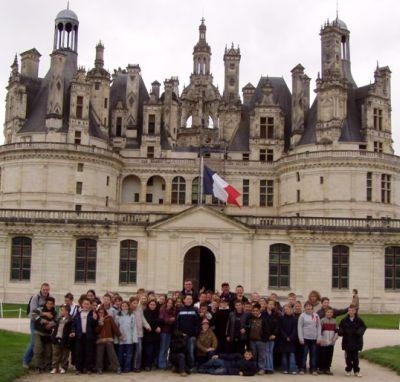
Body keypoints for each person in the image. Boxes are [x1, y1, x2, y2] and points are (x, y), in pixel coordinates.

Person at [23, 282, 51, 369]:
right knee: (33, 342)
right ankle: (25, 361)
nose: (45, 291)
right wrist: (44, 314)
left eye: (47, 289)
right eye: (44, 289)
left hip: (44, 323)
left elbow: (51, 310)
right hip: (35, 322)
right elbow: (32, 313)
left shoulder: (49, 298)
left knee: (42, 343)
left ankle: (41, 363)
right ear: (41, 289)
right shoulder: (36, 297)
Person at [338, 304, 367, 377]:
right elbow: (341, 327)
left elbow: (363, 327)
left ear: (355, 311)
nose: (351, 312)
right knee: (348, 357)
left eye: (352, 310)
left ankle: (356, 370)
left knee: (355, 357)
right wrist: (340, 332)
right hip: (347, 341)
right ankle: (348, 369)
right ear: (348, 311)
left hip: (356, 341)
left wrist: (359, 332)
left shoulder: (359, 320)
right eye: (349, 310)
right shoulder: (344, 320)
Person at [71, 297, 98, 374]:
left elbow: (94, 326)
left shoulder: (92, 313)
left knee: (88, 352)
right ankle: (78, 369)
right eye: (84, 304)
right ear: (82, 304)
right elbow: (74, 324)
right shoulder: (78, 313)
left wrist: (94, 319)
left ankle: (88, 368)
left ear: (90, 305)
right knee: (79, 352)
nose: (86, 305)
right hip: (79, 336)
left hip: (88, 336)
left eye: (88, 304)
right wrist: (73, 331)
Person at [31, 296, 57, 372]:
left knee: (48, 351)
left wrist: (50, 324)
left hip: (48, 334)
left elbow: (57, 320)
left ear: (53, 304)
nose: (49, 305)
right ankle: (38, 366)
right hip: (38, 332)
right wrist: (42, 318)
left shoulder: (55, 312)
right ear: (46, 303)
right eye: (48, 303)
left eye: (51, 304)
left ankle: (47, 366)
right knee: (38, 350)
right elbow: (32, 314)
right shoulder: (40, 309)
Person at [94, 305, 122, 374]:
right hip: (100, 340)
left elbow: (114, 327)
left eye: (102, 312)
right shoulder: (96, 319)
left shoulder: (109, 318)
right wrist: (100, 324)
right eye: (100, 312)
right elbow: (95, 331)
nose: (101, 313)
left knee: (112, 354)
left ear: (105, 312)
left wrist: (119, 335)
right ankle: (99, 368)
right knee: (99, 355)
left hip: (109, 339)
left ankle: (117, 367)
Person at [176, 294, 200, 370]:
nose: (189, 300)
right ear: (184, 300)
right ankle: (183, 366)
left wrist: (195, 334)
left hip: (192, 336)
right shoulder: (180, 310)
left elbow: (198, 323)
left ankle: (191, 366)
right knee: (183, 351)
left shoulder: (195, 310)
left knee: (191, 351)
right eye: (188, 299)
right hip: (182, 336)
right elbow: (177, 323)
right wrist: (179, 333)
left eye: (190, 299)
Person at [297, 301, 322, 375]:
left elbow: (319, 326)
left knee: (313, 354)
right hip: (305, 338)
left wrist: (319, 337)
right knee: (304, 354)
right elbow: (299, 327)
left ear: (312, 307)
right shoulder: (302, 316)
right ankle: (302, 368)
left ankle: (313, 369)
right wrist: (300, 338)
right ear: (304, 307)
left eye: (310, 306)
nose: (308, 307)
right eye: (307, 306)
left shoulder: (316, 315)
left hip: (314, 339)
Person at [245, 302, 269, 374]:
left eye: (256, 311)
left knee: (262, 356)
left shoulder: (264, 319)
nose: (255, 312)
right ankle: (254, 368)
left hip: (261, 341)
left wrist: (264, 339)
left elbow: (267, 330)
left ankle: (261, 368)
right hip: (252, 340)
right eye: (254, 311)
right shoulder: (250, 319)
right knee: (254, 355)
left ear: (259, 311)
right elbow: (247, 329)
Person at [50, 304, 73, 374]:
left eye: (62, 310)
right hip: (57, 337)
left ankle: (63, 367)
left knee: (65, 354)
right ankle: (54, 367)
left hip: (65, 339)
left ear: (67, 311)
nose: (60, 312)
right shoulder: (58, 319)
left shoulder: (70, 320)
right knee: (56, 353)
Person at [130, 296, 151, 372]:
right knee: (130, 351)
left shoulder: (140, 309)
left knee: (139, 350)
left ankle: (136, 366)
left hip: (139, 333)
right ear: (131, 303)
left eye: (136, 303)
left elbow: (143, 319)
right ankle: (129, 366)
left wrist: (147, 326)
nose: (135, 304)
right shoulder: (129, 310)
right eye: (134, 303)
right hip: (130, 334)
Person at [116, 301, 137, 373]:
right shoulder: (118, 315)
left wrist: (134, 338)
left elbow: (134, 327)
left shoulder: (132, 315)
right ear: (121, 307)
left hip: (129, 338)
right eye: (123, 306)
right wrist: (118, 336)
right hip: (121, 338)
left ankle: (127, 368)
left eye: (126, 306)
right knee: (120, 354)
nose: (124, 307)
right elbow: (116, 327)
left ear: (128, 307)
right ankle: (120, 367)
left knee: (129, 354)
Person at [142, 300, 163, 371]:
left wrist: (159, 326)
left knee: (155, 351)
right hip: (148, 335)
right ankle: (147, 365)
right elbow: (148, 322)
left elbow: (161, 321)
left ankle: (151, 364)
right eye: (151, 304)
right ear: (148, 305)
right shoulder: (145, 312)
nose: (152, 306)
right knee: (148, 351)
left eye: (154, 304)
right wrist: (156, 326)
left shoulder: (158, 312)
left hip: (156, 335)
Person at [279, 304, 298, 375]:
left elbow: (295, 329)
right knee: (284, 355)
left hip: (292, 340)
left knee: (292, 354)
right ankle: (285, 369)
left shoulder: (294, 319)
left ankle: (292, 369)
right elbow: (281, 329)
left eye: (288, 309)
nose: (287, 310)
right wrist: (285, 337)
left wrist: (291, 337)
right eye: (285, 309)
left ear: (291, 310)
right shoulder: (281, 318)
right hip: (284, 339)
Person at [158, 298, 176, 370]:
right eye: (169, 303)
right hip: (164, 331)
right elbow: (162, 320)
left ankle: (165, 363)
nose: (170, 304)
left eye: (171, 303)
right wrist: (169, 320)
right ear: (166, 303)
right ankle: (161, 364)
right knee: (162, 348)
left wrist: (169, 321)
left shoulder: (173, 311)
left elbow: (173, 321)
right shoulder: (162, 310)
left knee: (167, 348)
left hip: (170, 332)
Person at [320, 307, 338, 375]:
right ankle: (321, 368)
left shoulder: (334, 321)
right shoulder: (322, 320)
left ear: (333, 314)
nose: (329, 313)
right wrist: (321, 339)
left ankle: (327, 368)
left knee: (329, 355)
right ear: (325, 313)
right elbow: (319, 331)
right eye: (328, 312)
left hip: (331, 342)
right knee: (322, 355)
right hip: (324, 341)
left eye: (331, 312)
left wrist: (335, 338)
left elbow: (336, 331)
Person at [262, 298, 279, 374]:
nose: (271, 305)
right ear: (266, 304)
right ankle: (265, 367)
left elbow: (277, 326)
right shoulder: (262, 314)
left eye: (273, 304)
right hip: (265, 336)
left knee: (270, 352)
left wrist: (274, 334)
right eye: (270, 304)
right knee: (265, 352)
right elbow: (262, 326)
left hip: (272, 337)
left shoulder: (275, 314)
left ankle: (270, 367)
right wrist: (266, 335)